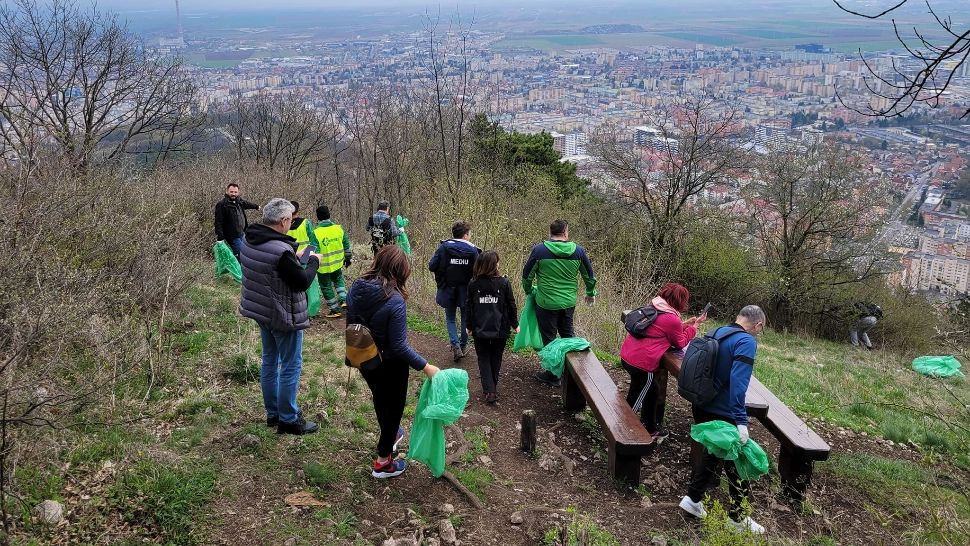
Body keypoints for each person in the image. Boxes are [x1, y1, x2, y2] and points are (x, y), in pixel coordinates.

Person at [346, 245, 440, 479]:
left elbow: (351, 321)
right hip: (390, 365)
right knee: (394, 410)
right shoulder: (395, 300)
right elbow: (398, 346)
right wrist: (426, 367)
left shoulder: (357, 287)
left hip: (363, 357)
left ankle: (391, 434)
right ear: (401, 270)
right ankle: (383, 463)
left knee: (381, 400)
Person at [679, 305, 767, 535]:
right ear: (757, 325)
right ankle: (738, 519)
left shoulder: (718, 331)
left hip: (701, 403)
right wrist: (741, 421)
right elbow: (739, 384)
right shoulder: (747, 342)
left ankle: (693, 499)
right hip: (723, 409)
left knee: (714, 452)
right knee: (738, 462)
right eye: (760, 329)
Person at [239, 198, 322, 436]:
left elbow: (272, 271)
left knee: (269, 360)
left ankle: (273, 413)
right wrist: (314, 261)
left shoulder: (249, 239)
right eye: (291, 220)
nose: (292, 224)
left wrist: (296, 259)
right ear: (284, 220)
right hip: (283, 315)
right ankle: (288, 419)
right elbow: (302, 282)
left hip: (261, 310)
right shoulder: (281, 251)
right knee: (290, 365)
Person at [619, 283, 705, 441]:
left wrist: (685, 324)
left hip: (628, 355)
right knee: (638, 396)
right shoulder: (671, 318)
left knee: (651, 391)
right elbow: (680, 342)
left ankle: (650, 427)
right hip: (642, 364)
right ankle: (622, 429)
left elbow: (664, 328)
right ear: (680, 301)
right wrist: (695, 327)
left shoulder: (656, 306)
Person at [523, 219, 597, 386]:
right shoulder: (578, 251)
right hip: (568, 302)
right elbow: (589, 276)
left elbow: (527, 275)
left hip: (546, 302)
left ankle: (553, 375)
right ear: (565, 232)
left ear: (551, 232)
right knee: (567, 336)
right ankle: (572, 373)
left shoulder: (539, 250)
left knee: (549, 339)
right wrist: (590, 293)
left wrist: (529, 290)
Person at [465, 251, 519, 404]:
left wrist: (469, 326)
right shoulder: (503, 283)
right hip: (500, 328)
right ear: (494, 265)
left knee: (483, 357)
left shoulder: (473, 283)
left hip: (479, 328)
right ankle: (491, 389)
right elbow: (511, 305)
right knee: (496, 356)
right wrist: (515, 324)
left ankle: (490, 390)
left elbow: (469, 306)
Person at [428, 221, 481, 362]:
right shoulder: (473, 250)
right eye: (469, 234)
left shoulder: (444, 247)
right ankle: (463, 346)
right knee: (465, 318)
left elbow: (432, 266)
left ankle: (455, 345)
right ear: (465, 235)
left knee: (450, 318)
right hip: (466, 291)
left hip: (447, 288)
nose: (470, 236)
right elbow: (478, 273)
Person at [314, 205, 352, 318]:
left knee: (326, 286)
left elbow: (313, 250)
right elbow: (347, 245)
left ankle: (335, 309)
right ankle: (344, 300)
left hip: (323, 266)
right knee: (338, 280)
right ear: (329, 215)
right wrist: (348, 259)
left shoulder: (315, 233)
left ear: (318, 218)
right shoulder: (338, 228)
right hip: (338, 263)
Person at [214, 182, 259, 256]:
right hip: (233, 236)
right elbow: (218, 222)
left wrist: (256, 206)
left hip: (242, 233)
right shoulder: (222, 204)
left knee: (246, 253)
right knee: (241, 255)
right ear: (226, 191)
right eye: (231, 192)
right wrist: (220, 238)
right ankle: (239, 267)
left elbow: (247, 204)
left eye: (235, 192)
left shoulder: (239, 202)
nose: (233, 194)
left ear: (238, 192)